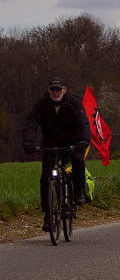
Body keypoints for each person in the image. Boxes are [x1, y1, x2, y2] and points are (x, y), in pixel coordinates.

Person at [22, 77, 91, 232]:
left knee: (78, 161)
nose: (55, 92)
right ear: (49, 90)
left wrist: (83, 141)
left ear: (64, 89)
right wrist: (28, 142)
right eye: (52, 89)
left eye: (58, 89)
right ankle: (47, 216)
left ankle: (79, 191)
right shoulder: (42, 104)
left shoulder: (73, 102)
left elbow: (83, 123)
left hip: (71, 142)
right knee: (45, 177)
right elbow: (31, 122)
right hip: (50, 143)